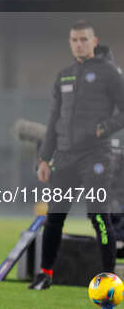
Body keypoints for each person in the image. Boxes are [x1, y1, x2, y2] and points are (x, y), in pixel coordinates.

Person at [29, 20, 124, 290]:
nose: (79, 44)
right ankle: (45, 274)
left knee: (98, 217)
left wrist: (104, 128)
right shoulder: (65, 76)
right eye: (74, 40)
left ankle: (108, 279)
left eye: (84, 39)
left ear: (94, 42)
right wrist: (44, 159)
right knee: (54, 216)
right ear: (70, 43)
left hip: (96, 157)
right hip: (65, 158)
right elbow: (54, 120)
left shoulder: (110, 73)